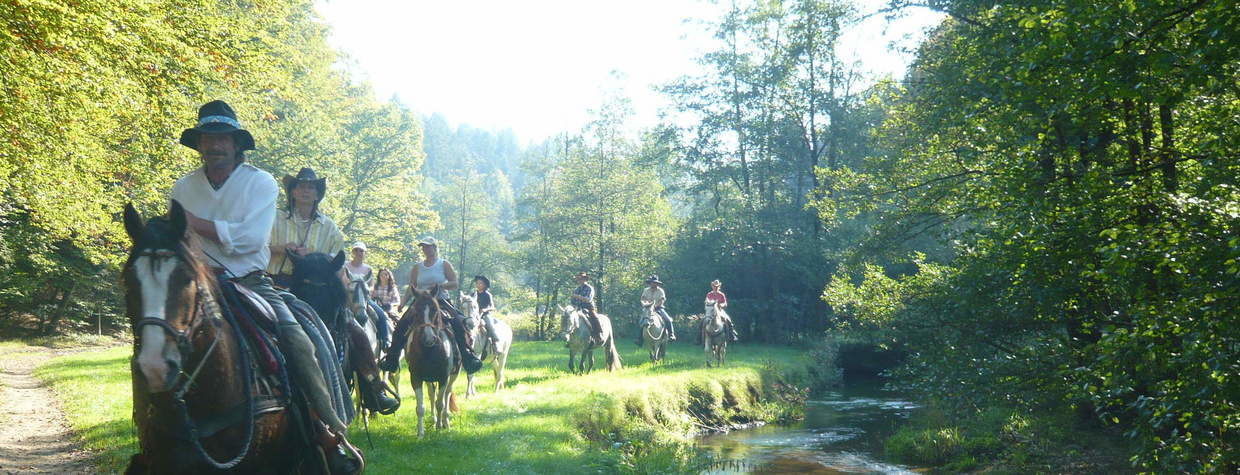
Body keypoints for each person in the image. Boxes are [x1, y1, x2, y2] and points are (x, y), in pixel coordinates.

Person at [169, 100, 361, 472]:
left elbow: (247, 241)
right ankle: (154, 430)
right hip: (197, 282)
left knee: (299, 337)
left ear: (237, 143)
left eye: (223, 138)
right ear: (199, 143)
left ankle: (325, 429)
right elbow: (179, 241)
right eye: (208, 137)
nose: (215, 145)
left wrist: (192, 222)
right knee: (156, 337)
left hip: (251, 282)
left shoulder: (260, 182)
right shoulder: (184, 186)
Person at [379, 237, 483, 374]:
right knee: (401, 325)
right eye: (423, 247)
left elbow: (454, 283)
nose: (425, 250)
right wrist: (403, 303)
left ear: (435, 248)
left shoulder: (443, 264)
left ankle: (467, 356)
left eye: (428, 247)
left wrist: (439, 286)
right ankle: (392, 359)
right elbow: (412, 287)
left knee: (458, 323)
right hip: (420, 302)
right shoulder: (417, 267)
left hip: (441, 301)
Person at [267, 167, 343, 289]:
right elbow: (255, 247)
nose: (305, 191)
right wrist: (280, 249)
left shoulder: (329, 228)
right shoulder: (274, 218)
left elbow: (337, 263)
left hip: (312, 288)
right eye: (301, 186)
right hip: (273, 282)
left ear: (317, 195)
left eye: (311, 187)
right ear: (292, 192)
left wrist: (312, 256)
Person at [343, 241, 391, 351]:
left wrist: (365, 291)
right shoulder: (345, 266)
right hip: (348, 297)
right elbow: (342, 282)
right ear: (353, 252)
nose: (359, 252)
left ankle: (385, 340)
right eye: (356, 250)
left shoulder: (368, 269)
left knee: (381, 314)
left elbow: (371, 286)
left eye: (361, 251)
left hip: (364, 298)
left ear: (365, 253)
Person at [638, 275, 675, 345]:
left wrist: (654, 306)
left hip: (658, 308)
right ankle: (640, 339)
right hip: (647, 308)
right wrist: (645, 304)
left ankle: (671, 335)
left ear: (657, 283)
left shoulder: (661, 291)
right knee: (641, 321)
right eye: (652, 282)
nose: (653, 284)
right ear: (650, 283)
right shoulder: (646, 290)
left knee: (668, 320)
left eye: (655, 282)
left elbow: (662, 300)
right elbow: (643, 298)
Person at [569, 271, 603, 345]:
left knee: (594, 317)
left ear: (585, 279)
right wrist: (573, 303)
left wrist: (577, 296)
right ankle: (570, 338)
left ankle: (598, 335)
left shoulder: (590, 288)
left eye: (581, 279)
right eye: (578, 279)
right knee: (569, 318)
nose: (579, 280)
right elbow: (572, 300)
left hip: (588, 307)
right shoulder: (576, 289)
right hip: (577, 308)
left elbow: (588, 299)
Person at [472, 275, 501, 346]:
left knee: (490, 325)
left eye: (480, 283)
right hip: (474, 315)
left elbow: (492, 307)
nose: (478, 285)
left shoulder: (488, 295)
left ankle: (495, 342)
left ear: (485, 285)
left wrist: (485, 309)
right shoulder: (473, 294)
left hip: (485, 315)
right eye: (477, 283)